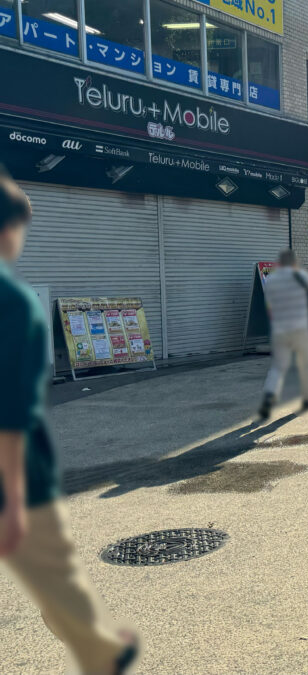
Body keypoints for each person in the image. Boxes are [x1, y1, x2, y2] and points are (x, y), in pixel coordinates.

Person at [0, 176, 139, 674]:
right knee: (50, 568)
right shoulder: (14, 304)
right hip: (17, 474)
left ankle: (98, 648)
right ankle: (100, 651)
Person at [260, 249, 308, 419]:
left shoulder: (272, 279)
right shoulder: (302, 276)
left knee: (278, 366)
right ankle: (307, 399)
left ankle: (269, 398)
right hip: (301, 328)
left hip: (280, 329)